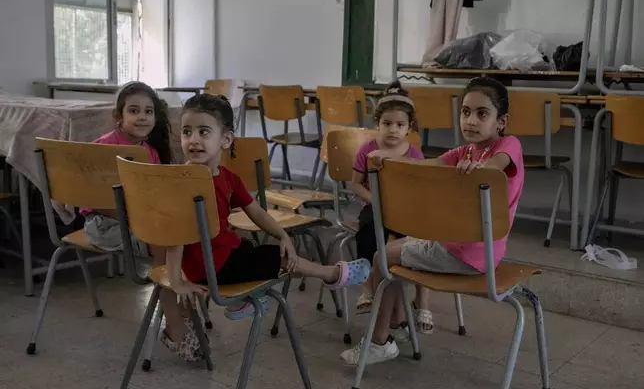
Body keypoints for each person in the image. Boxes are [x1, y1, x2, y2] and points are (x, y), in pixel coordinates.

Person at [161, 93, 372, 361]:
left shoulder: (228, 178)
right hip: (211, 268)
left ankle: (243, 301)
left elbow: (256, 211)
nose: (193, 140)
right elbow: (174, 233)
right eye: (187, 132)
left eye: (203, 131)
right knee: (278, 259)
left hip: (226, 257)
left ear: (225, 139)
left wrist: (282, 233)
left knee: (259, 249)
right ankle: (330, 274)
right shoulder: (183, 180)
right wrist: (177, 281)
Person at [341, 76, 525, 365]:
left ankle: (379, 343)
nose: (471, 121)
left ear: (501, 121)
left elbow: (495, 166)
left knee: (382, 258)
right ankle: (397, 328)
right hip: (464, 250)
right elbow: (425, 164)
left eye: (482, 113)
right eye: (466, 112)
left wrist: (480, 167)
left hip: (465, 254)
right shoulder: (463, 152)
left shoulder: (507, 146)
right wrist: (387, 158)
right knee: (393, 255)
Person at [351, 81, 433, 335]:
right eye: (387, 123)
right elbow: (355, 185)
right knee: (367, 231)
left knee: (417, 240)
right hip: (375, 209)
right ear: (378, 124)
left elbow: (420, 190)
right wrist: (376, 201)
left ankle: (420, 302)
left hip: (405, 211)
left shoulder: (414, 154)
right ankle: (368, 286)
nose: (393, 130)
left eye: (399, 125)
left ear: (409, 128)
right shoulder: (367, 149)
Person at [80, 81, 171, 263]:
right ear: (118, 116)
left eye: (149, 111)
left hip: (137, 220)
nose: (143, 117)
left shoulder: (150, 152)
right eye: (134, 111)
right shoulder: (103, 147)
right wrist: (137, 218)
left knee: (182, 236)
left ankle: (172, 287)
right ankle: (164, 290)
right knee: (167, 244)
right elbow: (92, 198)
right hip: (102, 223)